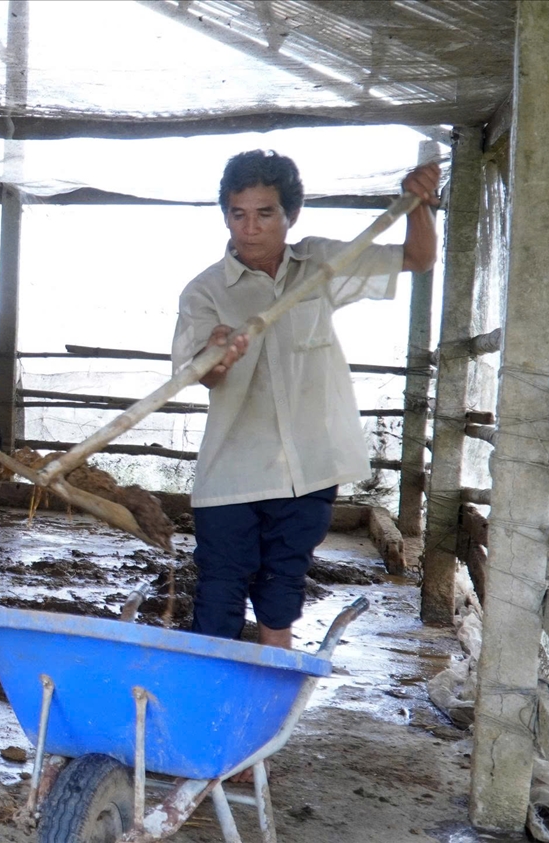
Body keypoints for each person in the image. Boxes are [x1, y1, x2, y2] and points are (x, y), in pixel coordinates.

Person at [172, 150, 440, 648]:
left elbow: (418, 258)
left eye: (265, 213)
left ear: (290, 215)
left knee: (282, 588)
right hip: (232, 472)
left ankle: (273, 699)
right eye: (238, 214)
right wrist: (217, 358)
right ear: (226, 216)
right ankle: (208, 706)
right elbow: (197, 375)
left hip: (308, 468)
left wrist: (419, 203)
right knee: (219, 592)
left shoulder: (319, 264)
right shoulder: (205, 292)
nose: (250, 228)